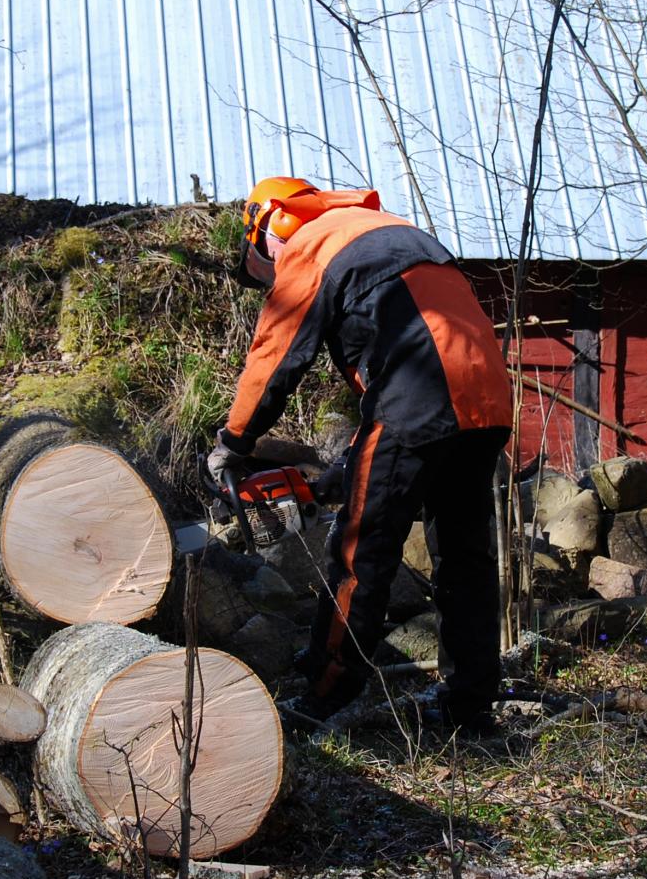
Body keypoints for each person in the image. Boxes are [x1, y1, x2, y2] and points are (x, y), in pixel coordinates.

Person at [206, 176, 515, 732]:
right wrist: (347, 465)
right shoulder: (391, 230)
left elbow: (275, 358)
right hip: (486, 398)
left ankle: (323, 695)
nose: (269, 263)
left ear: (273, 224)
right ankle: (469, 703)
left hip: (417, 400)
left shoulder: (312, 245)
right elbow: (413, 345)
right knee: (464, 558)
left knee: (359, 553)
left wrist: (233, 442)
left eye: (263, 252)